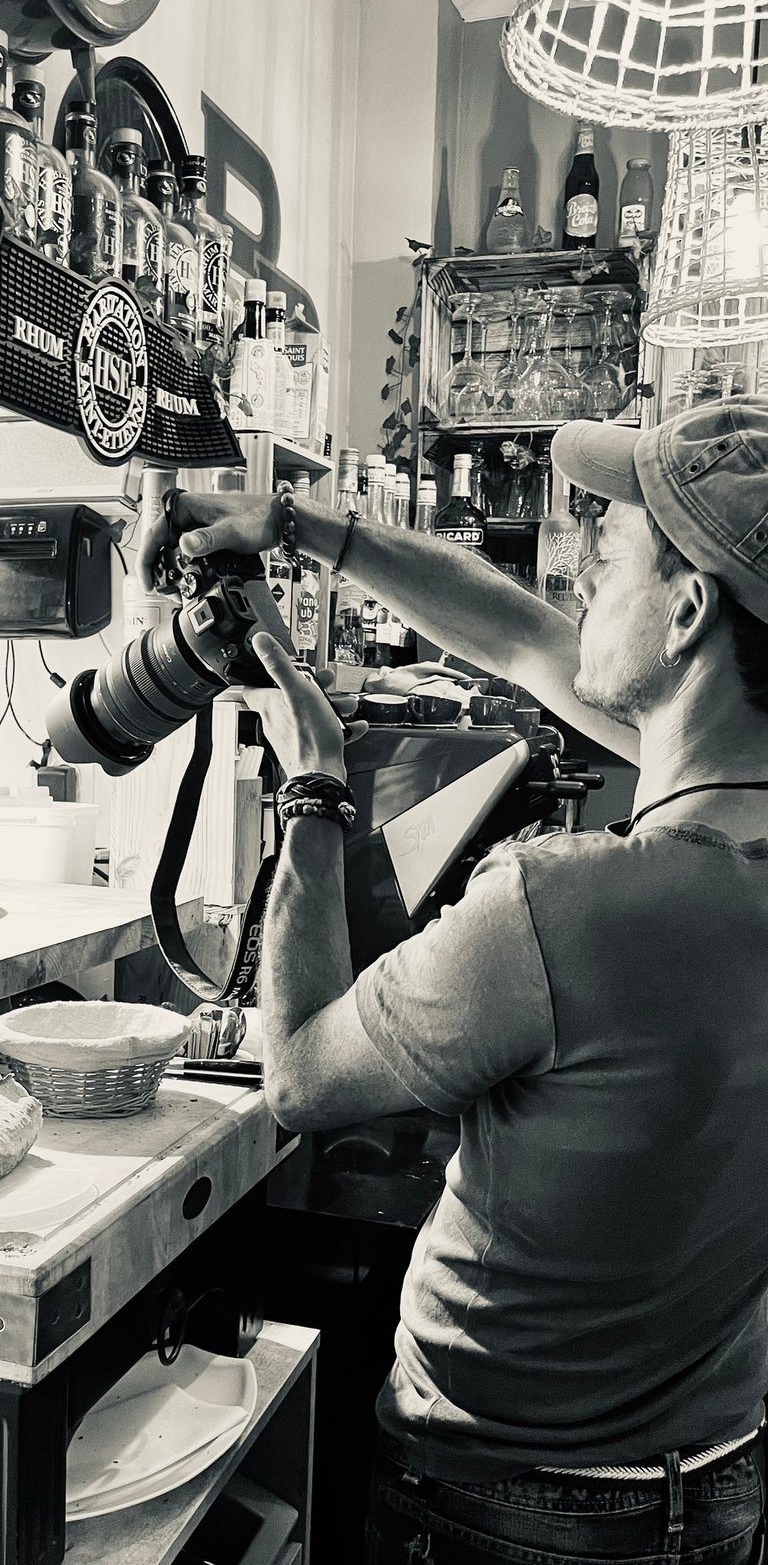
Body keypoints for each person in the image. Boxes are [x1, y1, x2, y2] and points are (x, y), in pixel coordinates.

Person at [139, 399, 768, 1563]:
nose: (580, 569)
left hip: (502, 1505)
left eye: (613, 551)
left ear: (685, 614)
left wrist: (316, 783)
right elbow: (527, 641)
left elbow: (301, 1075)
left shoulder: (567, 907)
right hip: (717, 1483)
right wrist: (298, 526)